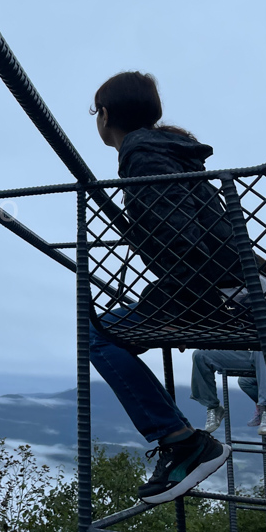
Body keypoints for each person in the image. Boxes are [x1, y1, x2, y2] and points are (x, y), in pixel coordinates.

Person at [89, 71, 235, 505]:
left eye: (95, 111)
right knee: (102, 329)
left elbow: (181, 240)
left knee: (95, 333)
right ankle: (178, 437)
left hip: (201, 295)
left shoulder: (143, 157)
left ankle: (179, 439)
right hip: (220, 289)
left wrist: (172, 292)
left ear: (106, 115)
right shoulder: (170, 152)